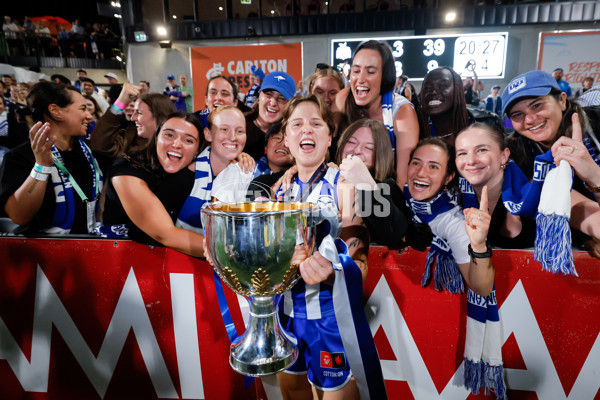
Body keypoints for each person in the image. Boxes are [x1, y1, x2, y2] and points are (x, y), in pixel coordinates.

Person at [247, 95, 383, 400]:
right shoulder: (278, 189)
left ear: (330, 135)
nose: (306, 130)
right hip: (285, 315)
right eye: (297, 124)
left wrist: (332, 272)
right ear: (286, 136)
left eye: (316, 123)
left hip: (328, 317)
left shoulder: (344, 186)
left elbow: (359, 268)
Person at [404, 137, 505, 398]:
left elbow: (481, 287)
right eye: (416, 163)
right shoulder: (398, 196)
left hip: (437, 345)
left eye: (433, 167)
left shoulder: (454, 222)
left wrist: (479, 245)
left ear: (449, 176)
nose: (421, 172)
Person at [502, 70, 600, 244]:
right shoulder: (516, 152)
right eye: (517, 114)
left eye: (537, 105)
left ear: (562, 100)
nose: (530, 119)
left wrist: (594, 176)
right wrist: (589, 234)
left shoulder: (596, 125)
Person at [0, 82, 104, 234]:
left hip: (92, 246)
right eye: (83, 108)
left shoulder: (89, 150)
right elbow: (18, 216)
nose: (89, 116)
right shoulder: (20, 157)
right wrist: (41, 167)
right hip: (46, 253)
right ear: (56, 111)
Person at [101, 112, 204, 253]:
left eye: (188, 140)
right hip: (118, 260)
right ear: (156, 138)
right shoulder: (126, 170)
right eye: (169, 135)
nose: (176, 144)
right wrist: (232, 252)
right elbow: (166, 234)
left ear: (197, 150)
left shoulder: (197, 170)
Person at [333, 39, 419, 189]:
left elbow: (402, 182)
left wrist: (378, 204)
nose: (360, 79)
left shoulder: (402, 113)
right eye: (356, 71)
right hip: (344, 188)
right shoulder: (343, 99)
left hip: (385, 192)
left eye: (371, 72)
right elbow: (321, 145)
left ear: (385, 77)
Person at [335, 118, 432, 250]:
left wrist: (366, 185)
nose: (357, 150)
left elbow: (392, 234)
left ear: (379, 155)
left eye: (368, 147)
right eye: (351, 142)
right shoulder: (326, 178)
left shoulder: (387, 188)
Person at [455, 123, 536, 248]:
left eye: (482, 150)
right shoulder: (451, 198)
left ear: (504, 156)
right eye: (462, 153)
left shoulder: (534, 195)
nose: (471, 161)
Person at [90, 84, 175, 160]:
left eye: (139, 112)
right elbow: (99, 145)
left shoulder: (178, 143)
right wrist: (120, 103)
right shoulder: (129, 138)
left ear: (159, 116)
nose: (133, 118)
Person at [244, 71, 296, 161]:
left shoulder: (293, 133)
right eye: (268, 95)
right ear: (259, 96)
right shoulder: (240, 124)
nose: (273, 103)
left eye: (282, 99)